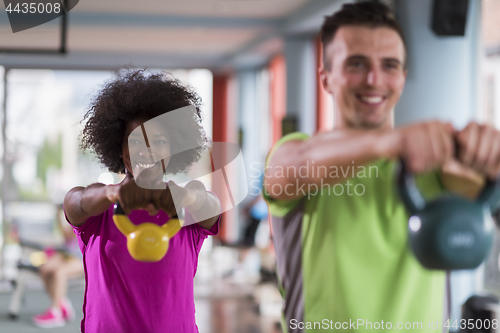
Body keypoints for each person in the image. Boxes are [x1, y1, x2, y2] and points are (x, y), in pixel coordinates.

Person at [263, 3, 500, 333]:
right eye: (356, 64)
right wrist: (385, 143)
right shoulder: (295, 151)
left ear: (402, 78)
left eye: (389, 66)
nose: (374, 80)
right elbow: (296, 166)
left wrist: (488, 153)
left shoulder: (435, 166)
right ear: (326, 77)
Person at [63, 70, 221, 332]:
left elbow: (212, 206)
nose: (146, 150)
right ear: (119, 146)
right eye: (135, 140)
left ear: (173, 148)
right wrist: (111, 194)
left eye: (159, 141)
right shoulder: (99, 208)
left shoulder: (187, 206)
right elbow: (76, 201)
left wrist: (185, 197)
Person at [32, 204, 84, 328]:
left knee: (59, 273)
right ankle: (61, 303)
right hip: (67, 256)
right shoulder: (72, 221)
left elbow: (71, 234)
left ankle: (56, 312)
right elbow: (65, 234)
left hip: (83, 259)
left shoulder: (86, 220)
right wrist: (58, 215)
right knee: (44, 268)